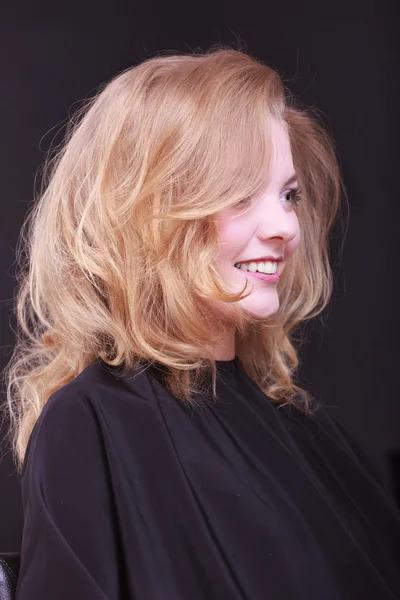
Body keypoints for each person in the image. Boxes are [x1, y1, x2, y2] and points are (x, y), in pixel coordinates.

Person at [3, 45, 400, 599]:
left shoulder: (299, 427)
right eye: (240, 194)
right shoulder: (89, 425)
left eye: (288, 194)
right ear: (147, 214)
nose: (285, 225)